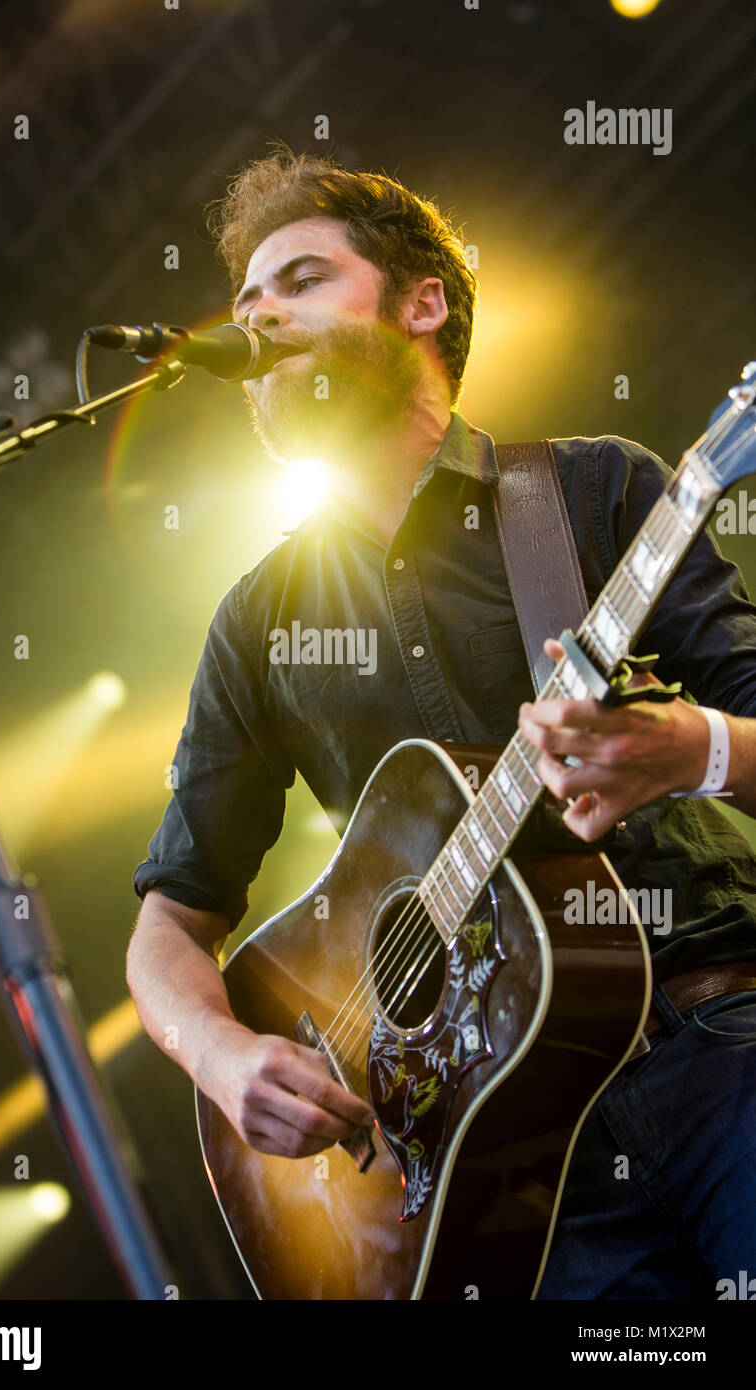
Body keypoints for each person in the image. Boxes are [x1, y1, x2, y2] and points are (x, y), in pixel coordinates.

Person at [126, 149, 756, 1298]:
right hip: (499, 1169)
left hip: (717, 1055)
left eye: (300, 279)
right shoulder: (257, 621)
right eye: (245, 303)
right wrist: (224, 1056)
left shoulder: (590, 492)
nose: (259, 316)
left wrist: (691, 750)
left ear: (422, 304)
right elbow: (169, 924)